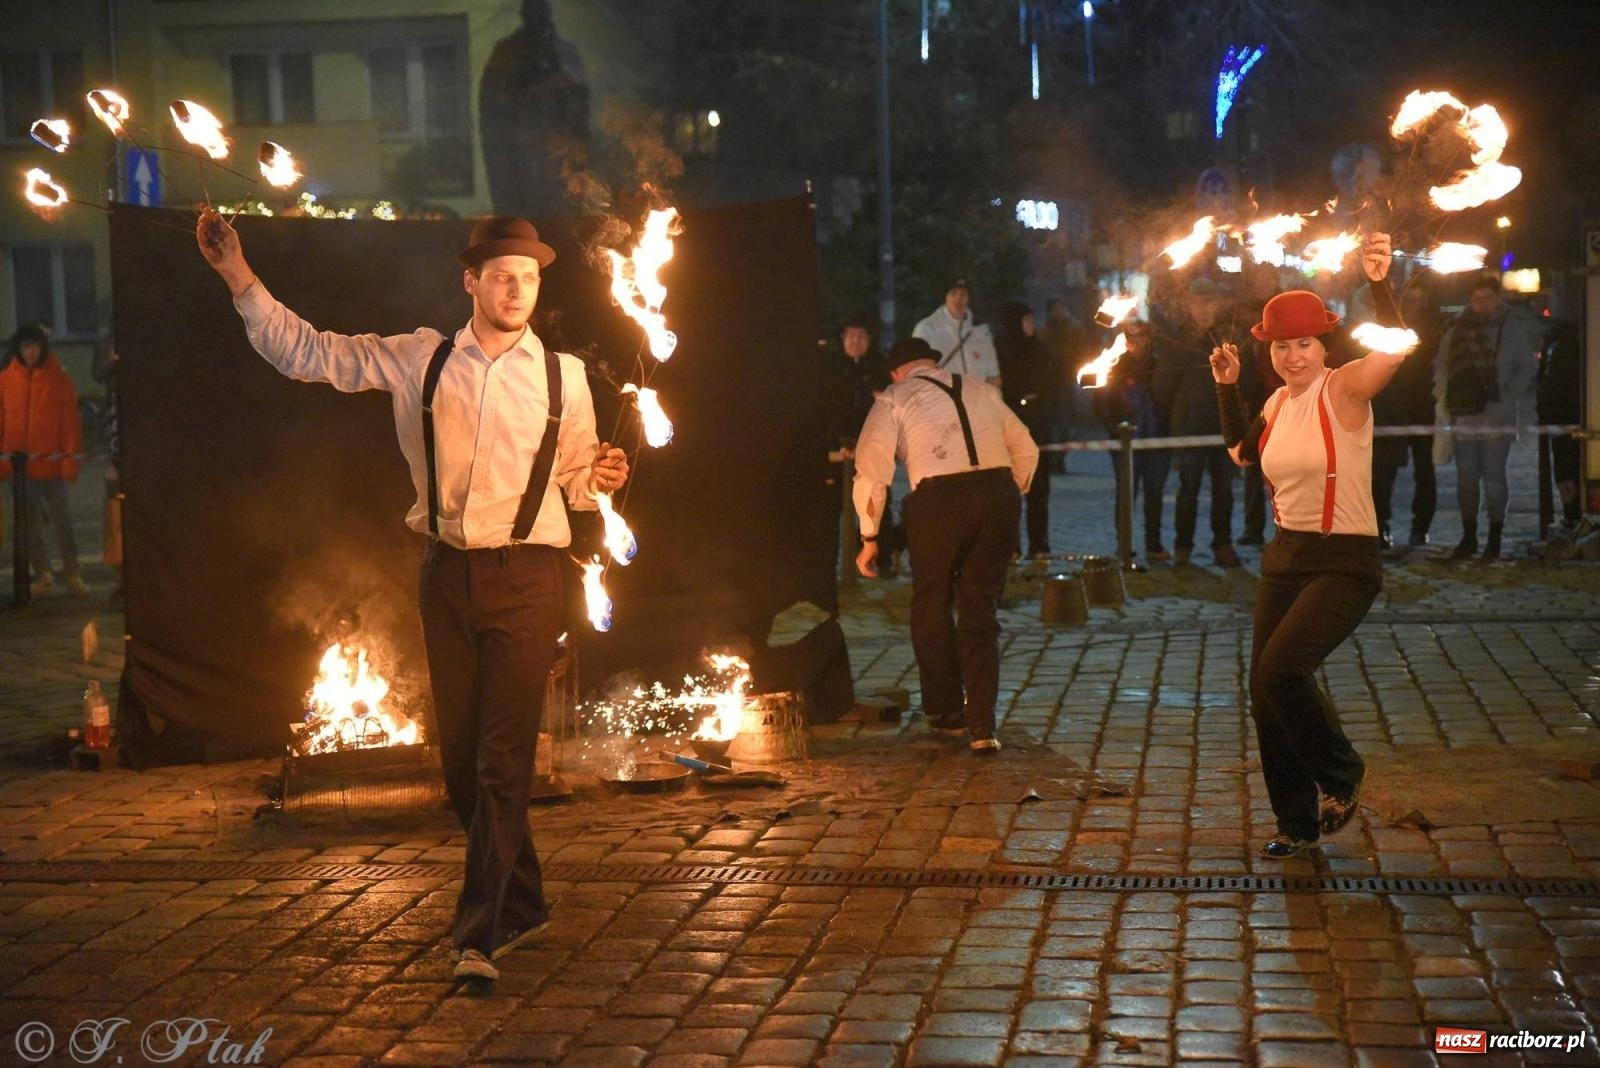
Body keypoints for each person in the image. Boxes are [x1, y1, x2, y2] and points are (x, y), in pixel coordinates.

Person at [196, 210, 629, 984]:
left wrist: (595, 478)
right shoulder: (420, 360)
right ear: (471, 281)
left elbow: (573, 480)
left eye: (528, 277)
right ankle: (524, 903)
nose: (515, 289)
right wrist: (238, 276)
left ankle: (477, 936)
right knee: (462, 770)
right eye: (501, 275)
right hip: (447, 577)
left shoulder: (565, 376)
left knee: (502, 763)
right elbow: (309, 353)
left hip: (530, 579)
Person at [1211, 232, 1408, 858]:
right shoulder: (1273, 400)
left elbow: (1398, 350)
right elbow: (1242, 453)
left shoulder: (1344, 387)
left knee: (1282, 670)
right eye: (1281, 345)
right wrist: (1227, 385)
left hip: (1344, 560)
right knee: (1262, 688)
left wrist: (1380, 283)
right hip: (1286, 556)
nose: (1293, 356)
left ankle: (1342, 775)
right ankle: (1295, 823)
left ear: (1324, 345)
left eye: (1304, 343)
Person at [852, 337, 1038, 752]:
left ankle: (946, 712)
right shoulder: (978, 387)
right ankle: (983, 727)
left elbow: (870, 471)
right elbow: (1026, 446)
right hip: (996, 497)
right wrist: (1009, 493)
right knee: (980, 610)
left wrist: (869, 538)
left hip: (938, 503)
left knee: (932, 602)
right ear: (933, 363)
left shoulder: (894, 397)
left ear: (896, 372)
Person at [1435, 275, 1539, 560]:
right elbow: (1442, 365)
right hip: (1464, 412)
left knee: (1493, 477)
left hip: (1496, 413)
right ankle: (1468, 536)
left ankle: (1494, 538)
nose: (1482, 305)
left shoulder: (1510, 327)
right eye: (1477, 299)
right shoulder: (1456, 328)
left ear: (1497, 299)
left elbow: (1527, 366)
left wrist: (1507, 393)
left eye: (1488, 299)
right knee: (1466, 477)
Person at [1156, 277, 1240, 567]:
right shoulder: (1177, 337)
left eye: (1211, 302)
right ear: (1190, 304)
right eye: (1200, 302)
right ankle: (1183, 547)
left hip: (1223, 424)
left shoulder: (1227, 336)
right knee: (1188, 488)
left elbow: (1245, 377)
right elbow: (1163, 384)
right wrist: (1179, 415)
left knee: (1224, 491)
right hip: (1191, 425)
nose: (1206, 308)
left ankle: (1223, 543)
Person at [0, 322, 88, 596]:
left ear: (43, 347)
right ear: (18, 348)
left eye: (35, 345)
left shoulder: (59, 380)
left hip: (52, 465)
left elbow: (70, 422)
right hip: (20, 467)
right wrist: (3, 462)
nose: (31, 351)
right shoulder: (5, 381)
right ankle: (43, 574)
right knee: (29, 527)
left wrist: (69, 460)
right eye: (26, 346)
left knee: (63, 521)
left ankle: (72, 573)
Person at [1358, 280, 1439, 550]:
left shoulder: (1431, 329)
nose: (1413, 304)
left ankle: (1420, 528)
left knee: (1424, 470)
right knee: (1382, 472)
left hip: (1421, 407)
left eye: (1418, 300)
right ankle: (1380, 525)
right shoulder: (1383, 331)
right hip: (1389, 408)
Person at [1092, 318, 1171, 561]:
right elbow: (1100, 401)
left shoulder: (1159, 365)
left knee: (1154, 493)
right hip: (1125, 442)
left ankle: (1154, 544)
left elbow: (1167, 398)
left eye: (1141, 336)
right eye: (1131, 336)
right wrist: (1115, 429)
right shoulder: (1113, 366)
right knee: (1126, 494)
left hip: (1156, 439)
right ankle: (1123, 543)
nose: (1136, 341)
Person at [827, 319, 899, 571]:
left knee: (877, 503)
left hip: (873, 445)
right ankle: (835, 561)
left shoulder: (879, 369)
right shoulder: (831, 369)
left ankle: (882, 560)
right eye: (851, 336)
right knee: (835, 505)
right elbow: (825, 410)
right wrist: (835, 443)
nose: (856, 341)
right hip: (839, 445)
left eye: (861, 336)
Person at [996, 301, 1059, 557]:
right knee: (1010, 491)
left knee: (1039, 489)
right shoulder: (1002, 351)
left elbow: (1052, 384)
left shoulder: (1041, 350)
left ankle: (1039, 545)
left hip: (1038, 424)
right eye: (1027, 320)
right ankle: (1011, 546)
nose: (1032, 325)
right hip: (1011, 423)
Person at [1236, 264, 1284, 545]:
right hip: (1256, 402)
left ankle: (1287, 527)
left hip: (1283, 397)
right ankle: (1253, 528)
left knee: (1286, 469)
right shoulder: (1244, 313)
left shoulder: (1284, 311)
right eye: (1258, 278)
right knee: (1253, 467)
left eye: (1267, 278)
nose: (1262, 283)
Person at [912, 278, 1003, 389]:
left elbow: (993, 375)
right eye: (953, 293)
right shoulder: (927, 328)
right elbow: (917, 371)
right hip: (943, 400)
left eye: (963, 294)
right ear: (945, 297)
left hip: (976, 399)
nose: (958, 299)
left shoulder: (980, 329)